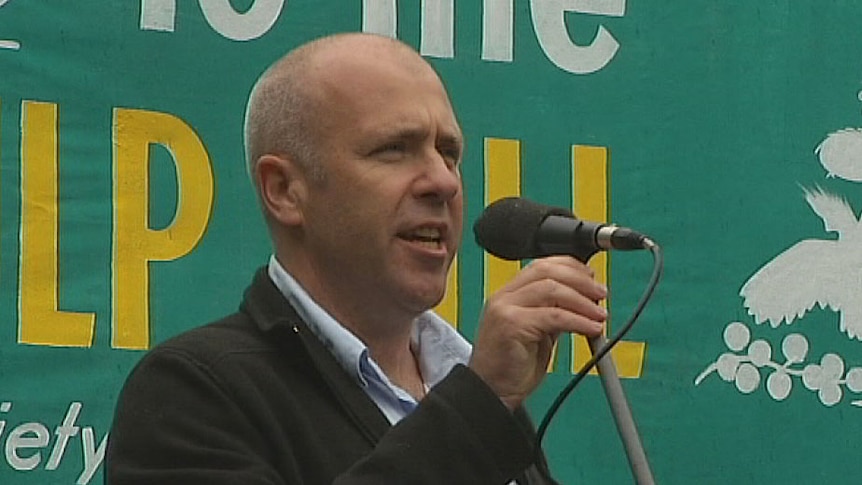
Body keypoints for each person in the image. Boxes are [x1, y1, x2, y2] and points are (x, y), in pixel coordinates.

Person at [105, 32, 608, 484]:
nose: (444, 181)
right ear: (284, 190)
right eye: (394, 149)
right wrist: (479, 405)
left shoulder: (470, 389)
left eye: (449, 153)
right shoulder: (194, 392)